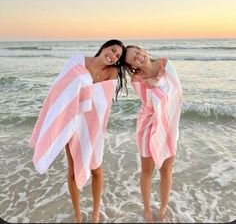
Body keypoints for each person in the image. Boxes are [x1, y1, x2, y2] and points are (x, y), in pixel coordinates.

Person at [29, 39, 127, 223]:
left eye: (117, 56)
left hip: (94, 126)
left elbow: (103, 101)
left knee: (96, 168)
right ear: (104, 47)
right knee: (73, 169)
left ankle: (95, 213)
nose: (113, 56)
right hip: (72, 120)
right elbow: (60, 89)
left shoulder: (112, 72)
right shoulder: (77, 62)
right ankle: (77, 214)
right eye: (112, 50)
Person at [120, 45, 183, 222]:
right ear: (132, 65)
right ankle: (147, 209)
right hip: (147, 125)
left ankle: (163, 207)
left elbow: (177, 92)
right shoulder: (137, 79)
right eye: (134, 58)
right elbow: (152, 103)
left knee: (166, 170)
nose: (139, 57)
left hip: (168, 124)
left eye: (138, 52)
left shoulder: (165, 64)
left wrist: (158, 82)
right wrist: (155, 85)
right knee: (146, 170)